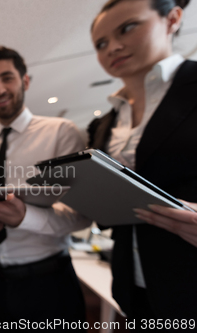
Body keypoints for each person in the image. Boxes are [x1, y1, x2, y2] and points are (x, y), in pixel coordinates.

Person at [88, 0, 197, 323]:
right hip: (133, 287)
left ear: (172, 18)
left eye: (128, 28)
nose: (113, 48)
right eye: (101, 44)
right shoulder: (104, 124)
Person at [0, 46, 91, 332]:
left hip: (46, 283)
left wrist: (24, 216)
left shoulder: (61, 132)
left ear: (25, 81)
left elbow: (83, 214)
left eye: (7, 78)